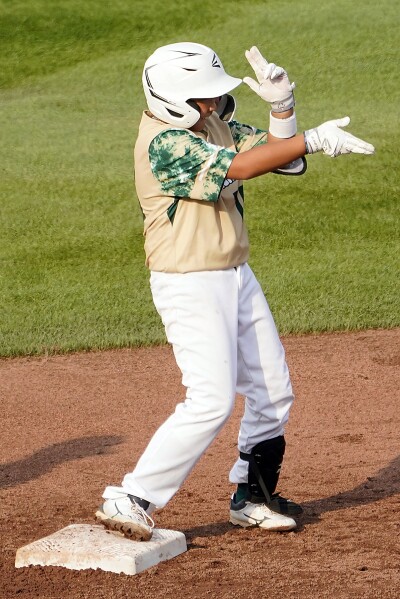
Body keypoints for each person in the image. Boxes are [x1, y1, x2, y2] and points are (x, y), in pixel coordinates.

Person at [95, 42, 374, 540]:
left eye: (212, 97)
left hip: (235, 274)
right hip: (189, 281)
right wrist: (310, 138)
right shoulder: (165, 143)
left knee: (272, 390)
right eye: (202, 98)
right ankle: (130, 497)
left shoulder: (213, 126)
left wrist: (282, 109)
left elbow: (275, 158)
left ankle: (253, 496)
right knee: (210, 399)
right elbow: (242, 168)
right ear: (171, 98)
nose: (211, 105)